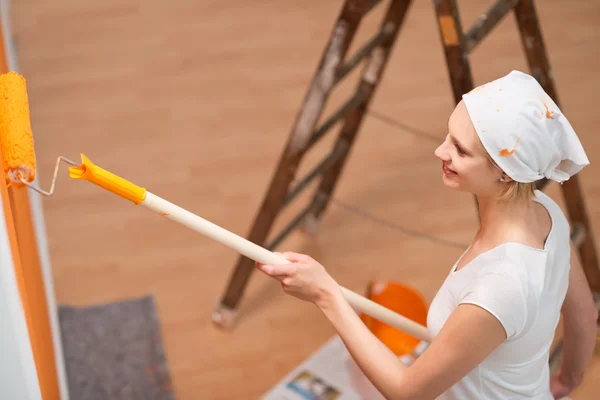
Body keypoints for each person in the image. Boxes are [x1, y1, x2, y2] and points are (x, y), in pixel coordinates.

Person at [255, 70, 599, 399]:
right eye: (449, 136)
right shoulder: (544, 211)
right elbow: (583, 313)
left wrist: (325, 294)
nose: (440, 152)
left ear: (507, 172)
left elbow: (407, 391)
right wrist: (569, 380)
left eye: (460, 150)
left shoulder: (500, 285)